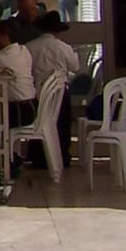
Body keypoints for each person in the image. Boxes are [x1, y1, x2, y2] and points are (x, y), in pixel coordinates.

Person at [23, 10, 82, 166]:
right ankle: (61, 154)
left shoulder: (29, 47)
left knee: (38, 121)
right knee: (61, 122)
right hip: (59, 93)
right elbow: (75, 66)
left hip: (36, 92)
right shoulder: (63, 47)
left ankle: (37, 156)